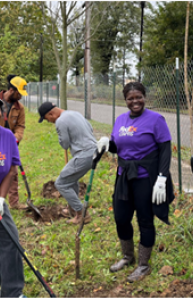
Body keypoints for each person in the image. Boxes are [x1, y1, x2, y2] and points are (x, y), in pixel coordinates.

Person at [97, 81, 174, 282]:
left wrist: (162, 177)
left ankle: (143, 265)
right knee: (121, 217)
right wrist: (108, 143)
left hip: (145, 177)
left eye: (138, 97)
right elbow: (117, 146)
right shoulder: (121, 119)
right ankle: (127, 257)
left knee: (145, 220)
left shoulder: (156, 120)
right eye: (130, 98)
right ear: (126, 100)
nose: (135, 101)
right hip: (124, 176)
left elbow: (165, 149)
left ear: (144, 97)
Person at [37, 102, 97, 225]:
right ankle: (72, 209)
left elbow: (64, 143)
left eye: (47, 119)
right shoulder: (75, 113)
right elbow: (90, 128)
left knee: (61, 183)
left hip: (83, 155)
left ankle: (82, 214)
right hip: (94, 152)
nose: (49, 122)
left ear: (51, 113)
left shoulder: (60, 121)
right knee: (71, 180)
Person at [0, 99, 26, 297]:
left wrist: (2, 199)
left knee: (10, 240)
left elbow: (10, 169)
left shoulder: (7, 137)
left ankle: (12, 292)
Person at [0, 75, 28, 210]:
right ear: (11, 90)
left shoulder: (19, 108)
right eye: (19, 93)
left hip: (9, 143)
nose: (21, 97)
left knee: (12, 171)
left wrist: (15, 139)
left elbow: (20, 126)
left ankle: (14, 203)